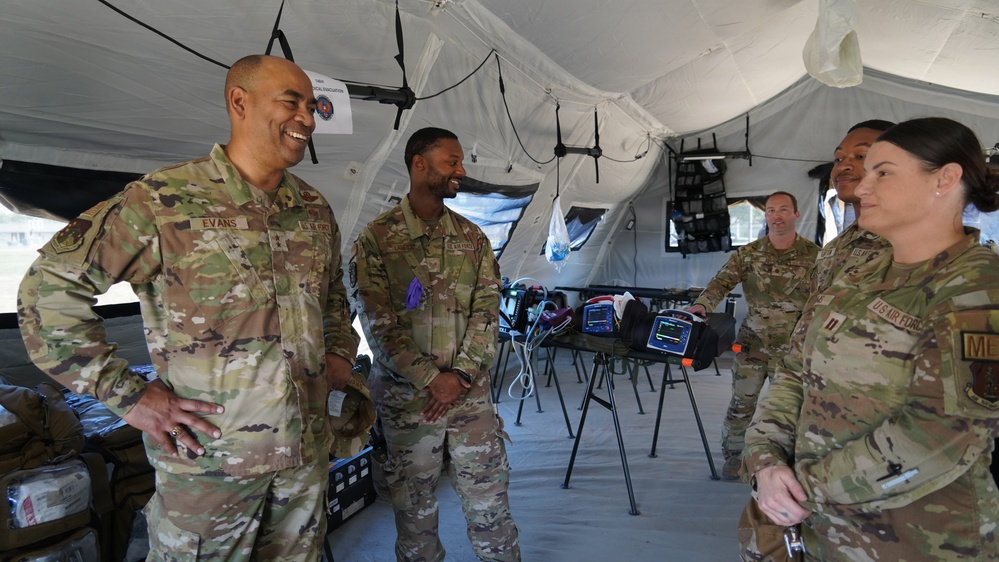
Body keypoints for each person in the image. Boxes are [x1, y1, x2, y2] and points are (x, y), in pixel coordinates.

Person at [18, 54, 359, 561]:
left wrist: (339, 354)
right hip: (212, 470)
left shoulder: (312, 209)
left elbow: (332, 294)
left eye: (311, 107)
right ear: (238, 102)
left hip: (302, 463)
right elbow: (47, 294)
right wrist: (129, 396)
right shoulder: (164, 199)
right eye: (292, 102)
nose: (307, 119)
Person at [743, 117, 999, 560]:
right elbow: (792, 369)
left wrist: (800, 491)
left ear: (945, 178)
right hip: (817, 529)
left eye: (883, 172)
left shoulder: (976, 290)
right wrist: (765, 461)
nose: (862, 188)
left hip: (913, 541)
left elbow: (939, 438)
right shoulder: (858, 276)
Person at [350, 127, 521, 562]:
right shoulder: (377, 240)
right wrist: (430, 379)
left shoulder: (473, 239)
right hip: (410, 403)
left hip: (469, 398)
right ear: (419, 164)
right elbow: (377, 322)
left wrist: (459, 376)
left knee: (490, 503)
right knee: (414, 510)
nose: (461, 170)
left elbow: (487, 312)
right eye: (452, 161)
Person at [688, 191, 818, 480]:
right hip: (753, 345)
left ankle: (790, 461)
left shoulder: (816, 256)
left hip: (793, 350)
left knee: (791, 408)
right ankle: (734, 456)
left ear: (796, 215)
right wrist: (702, 304)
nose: (777, 216)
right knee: (741, 404)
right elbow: (721, 283)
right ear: (766, 215)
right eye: (771, 210)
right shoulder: (748, 254)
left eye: (784, 209)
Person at [813, 119, 895, 292]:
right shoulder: (835, 247)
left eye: (860, 156)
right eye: (838, 159)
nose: (843, 166)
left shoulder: (913, 245)